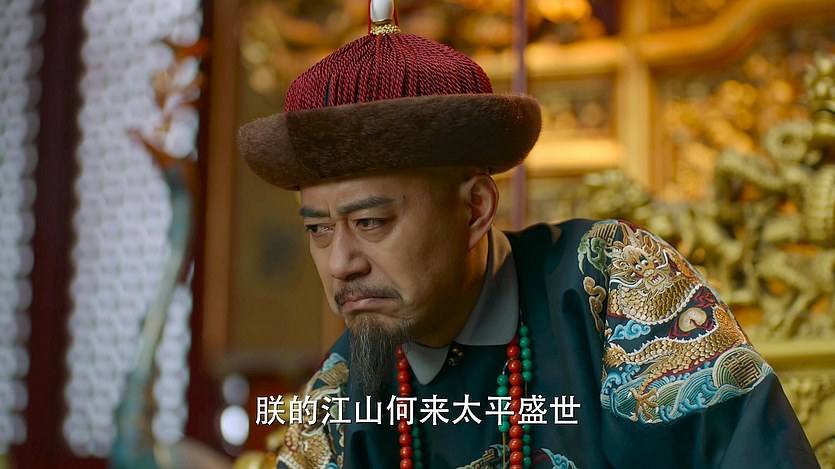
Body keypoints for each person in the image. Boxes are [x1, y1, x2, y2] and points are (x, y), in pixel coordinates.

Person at [237, 1, 819, 467]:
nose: (341, 263)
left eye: (370, 223)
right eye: (319, 229)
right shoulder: (347, 383)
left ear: (475, 210)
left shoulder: (608, 285)